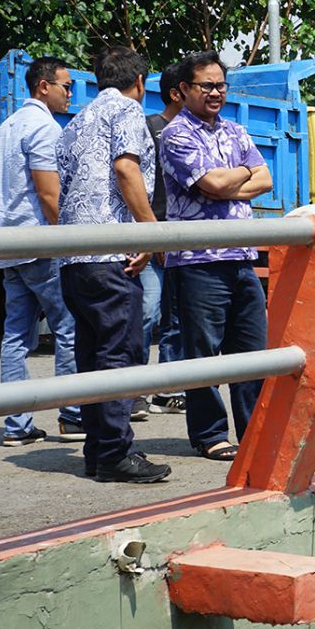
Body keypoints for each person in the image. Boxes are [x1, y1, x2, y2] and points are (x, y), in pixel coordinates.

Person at [56, 46, 171, 483]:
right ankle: (115, 454)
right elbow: (126, 170)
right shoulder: (126, 110)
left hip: (75, 257)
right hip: (110, 256)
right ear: (139, 82)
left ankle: (99, 452)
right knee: (117, 355)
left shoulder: (75, 121)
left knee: (92, 357)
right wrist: (150, 232)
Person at [160, 51, 272, 461]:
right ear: (183, 90)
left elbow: (265, 178)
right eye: (206, 85)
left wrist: (231, 179)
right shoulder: (175, 135)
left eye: (220, 85)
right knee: (203, 353)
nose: (215, 92)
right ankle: (210, 435)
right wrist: (238, 174)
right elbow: (210, 182)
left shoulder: (236, 131)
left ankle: (255, 431)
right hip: (198, 260)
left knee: (253, 352)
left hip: (242, 256)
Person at [0, 56, 83, 446]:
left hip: (10, 245)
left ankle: (17, 426)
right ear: (43, 86)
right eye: (65, 86)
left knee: (15, 337)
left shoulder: (2, 132)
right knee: (69, 328)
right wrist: (71, 240)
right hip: (43, 245)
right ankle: (72, 417)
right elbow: (49, 193)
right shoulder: (44, 128)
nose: (70, 94)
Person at [139, 62, 187, 415]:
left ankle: (168, 391)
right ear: (176, 93)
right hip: (153, 233)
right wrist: (154, 235)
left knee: (175, 318)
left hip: (180, 237)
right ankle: (135, 388)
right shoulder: (150, 128)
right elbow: (139, 186)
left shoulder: (194, 132)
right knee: (146, 312)